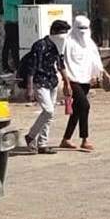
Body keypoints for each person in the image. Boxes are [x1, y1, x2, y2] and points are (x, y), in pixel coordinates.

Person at [60, 15, 110, 152]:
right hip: (72, 79)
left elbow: (95, 59)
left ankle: (66, 139)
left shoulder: (89, 43)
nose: (83, 31)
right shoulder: (68, 42)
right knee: (85, 105)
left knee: (77, 110)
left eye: (85, 28)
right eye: (80, 28)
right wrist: (65, 80)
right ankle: (85, 139)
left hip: (85, 79)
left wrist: (104, 73)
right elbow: (61, 62)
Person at [23, 20, 71, 154]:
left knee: (50, 115)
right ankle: (31, 136)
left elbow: (61, 65)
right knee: (48, 111)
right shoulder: (40, 45)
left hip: (52, 82)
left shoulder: (59, 46)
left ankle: (42, 143)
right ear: (54, 32)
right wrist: (30, 88)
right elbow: (31, 67)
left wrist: (67, 83)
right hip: (40, 81)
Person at [1, 0, 24, 71]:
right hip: (11, 24)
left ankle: (6, 66)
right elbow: (19, 3)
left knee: (8, 45)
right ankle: (16, 65)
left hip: (12, 24)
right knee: (13, 46)